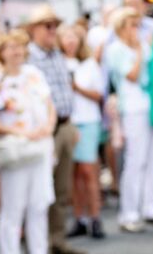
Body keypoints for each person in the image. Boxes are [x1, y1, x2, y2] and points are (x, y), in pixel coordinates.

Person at [15, 6, 81, 254]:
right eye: (47, 26)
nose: (53, 31)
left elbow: (64, 90)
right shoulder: (29, 58)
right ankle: (35, 242)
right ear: (34, 29)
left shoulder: (57, 55)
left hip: (63, 125)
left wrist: (70, 125)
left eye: (55, 26)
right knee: (38, 191)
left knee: (61, 188)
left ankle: (57, 239)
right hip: (43, 131)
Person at [0, 31, 55, 254]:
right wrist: (21, 134)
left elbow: (48, 104)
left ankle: (39, 249)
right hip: (15, 149)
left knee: (39, 204)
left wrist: (48, 127)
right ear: (1, 52)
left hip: (41, 146)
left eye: (20, 47)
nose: (17, 52)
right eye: (11, 47)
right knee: (13, 207)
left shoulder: (33, 73)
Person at [103, 9, 153, 233]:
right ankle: (129, 212)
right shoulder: (116, 50)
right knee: (135, 160)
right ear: (121, 28)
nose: (136, 30)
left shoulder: (144, 46)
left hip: (151, 106)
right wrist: (138, 51)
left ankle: (150, 207)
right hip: (132, 108)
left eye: (137, 25)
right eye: (131, 25)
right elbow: (132, 75)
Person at [63, 27, 105, 242]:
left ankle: (95, 216)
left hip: (87, 121)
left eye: (73, 39)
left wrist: (76, 88)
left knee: (88, 170)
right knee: (74, 173)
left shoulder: (89, 66)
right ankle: (79, 218)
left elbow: (98, 95)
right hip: (68, 122)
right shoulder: (59, 63)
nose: (70, 43)